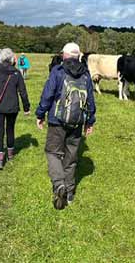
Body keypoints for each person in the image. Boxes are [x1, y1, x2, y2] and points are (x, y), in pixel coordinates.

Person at [35, 42, 96, 210]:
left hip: (57, 120)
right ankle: (69, 193)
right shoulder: (86, 74)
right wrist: (90, 121)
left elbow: (47, 95)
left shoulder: (58, 71)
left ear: (65, 55)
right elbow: (90, 100)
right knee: (71, 156)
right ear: (78, 56)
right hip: (77, 122)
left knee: (53, 152)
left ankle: (59, 184)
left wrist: (40, 114)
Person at [0, 48, 30, 170]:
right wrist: (26, 107)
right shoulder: (17, 73)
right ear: (12, 59)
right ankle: (10, 154)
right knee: (10, 129)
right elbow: (23, 92)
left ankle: (0, 159)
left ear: (0, 58)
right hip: (13, 106)